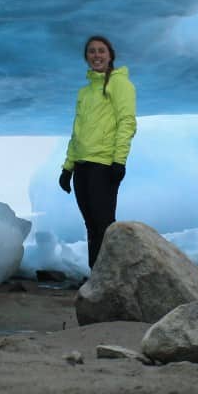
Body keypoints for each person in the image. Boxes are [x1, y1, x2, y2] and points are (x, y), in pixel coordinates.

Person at [58, 35, 137, 269]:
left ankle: (113, 276)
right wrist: (67, 168)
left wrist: (119, 161)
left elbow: (127, 122)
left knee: (104, 226)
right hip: (82, 166)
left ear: (110, 55)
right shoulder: (84, 92)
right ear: (86, 57)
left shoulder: (120, 84)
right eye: (91, 51)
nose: (96, 55)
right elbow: (77, 131)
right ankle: (98, 278)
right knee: (92, 226)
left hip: (103, 165)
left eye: (101, 51)